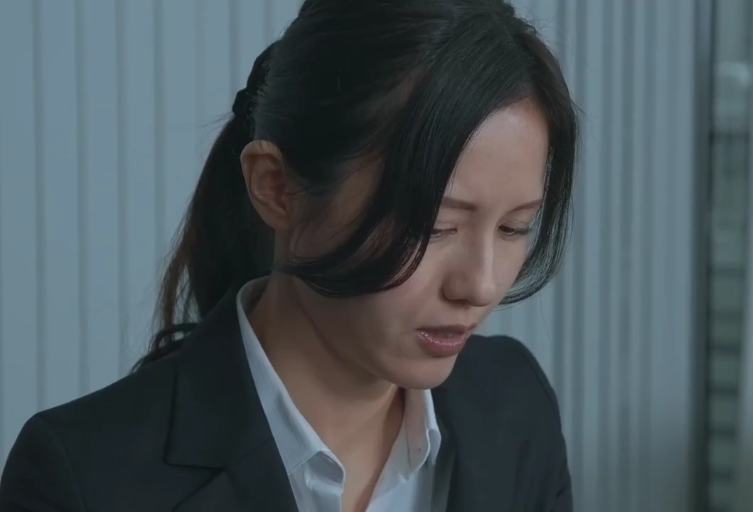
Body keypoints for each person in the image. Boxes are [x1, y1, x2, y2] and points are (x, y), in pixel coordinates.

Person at [0, 0, 578, 510]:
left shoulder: (514, 405)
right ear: (277, 187)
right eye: (435, 226)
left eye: (513, 227)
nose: (480, 285)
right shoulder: (83, 477)